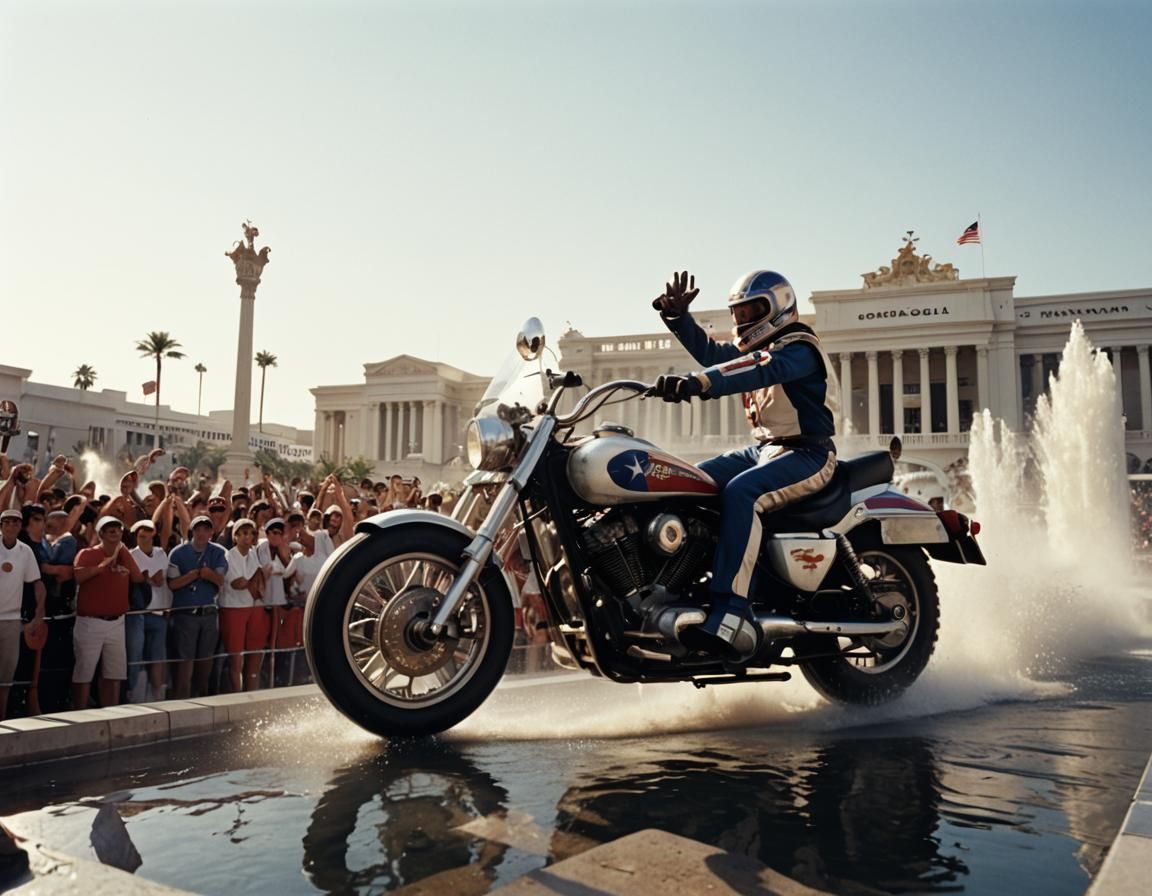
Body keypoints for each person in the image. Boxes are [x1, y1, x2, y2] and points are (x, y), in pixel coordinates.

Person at [650, 270, 839, 659]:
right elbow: (715, 357)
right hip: (765, 450)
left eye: (754, 309)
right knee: (685, 479)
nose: (744, 319)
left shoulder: (798, 347)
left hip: (808, 453)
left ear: (780, 306)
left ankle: (732, 612)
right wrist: (679, 319)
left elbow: (757, 368)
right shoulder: (759, 350)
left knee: (743, 492)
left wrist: (697, 384)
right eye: (739, 312)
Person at [72, 516, 143, 709]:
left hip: (117, 623)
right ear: (100, 533)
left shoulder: (124, 554)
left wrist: (122, 552)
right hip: (90, 623)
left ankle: (109, 713)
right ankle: (80, 714)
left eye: (118, 529)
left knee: (114, 674)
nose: (114, 531)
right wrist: (104, 565)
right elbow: (78, 577)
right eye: (109, 529)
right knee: (84, 673)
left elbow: (137, 577)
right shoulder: (87, 554)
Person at [167, 515, 227, 699]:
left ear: (211, 532)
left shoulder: (218, 552)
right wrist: (192, 576)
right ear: (192, 531)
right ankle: (183, 696)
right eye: (198, 529)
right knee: (186, 659)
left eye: (206, 529)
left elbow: (220, 580)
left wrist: (208, 575)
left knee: (206, 657)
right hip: (185, 614)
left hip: (209, 613)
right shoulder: (177, 553)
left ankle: (202, 693)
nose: (201, 533)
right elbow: (172, 584)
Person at [0, 509, 44, 720]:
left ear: (20, 526)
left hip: (11, 620)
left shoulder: (25, 551)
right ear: (1, 525)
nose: (11, 526)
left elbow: (37, 584)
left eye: (15, 522)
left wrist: (39, 614)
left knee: (7, 675)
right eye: (7, 522)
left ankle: (2, 718)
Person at [220, 518, 268, 692]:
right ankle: (236, 694)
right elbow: (238, 583)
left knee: (253, 654)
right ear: (236, 537)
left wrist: (253, 579)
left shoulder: (254, 553)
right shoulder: (228, 556)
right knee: (236, 657)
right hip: (232, 609)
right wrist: (255, 578)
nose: (249, 537)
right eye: (244, 533)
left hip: (251, 608)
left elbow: (258, 582)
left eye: (251, 533)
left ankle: (250, 692)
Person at [127, 519, 172, 702]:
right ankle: (133, 698)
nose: (145, 539)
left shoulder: (162, 553)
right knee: (135, 658)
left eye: (148, 535)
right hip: (138, 615)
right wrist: (147, 578)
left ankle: (157, 698)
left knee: (157, 659)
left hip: (160, 613)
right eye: (141, 536)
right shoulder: (130, 555)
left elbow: (165, 581)